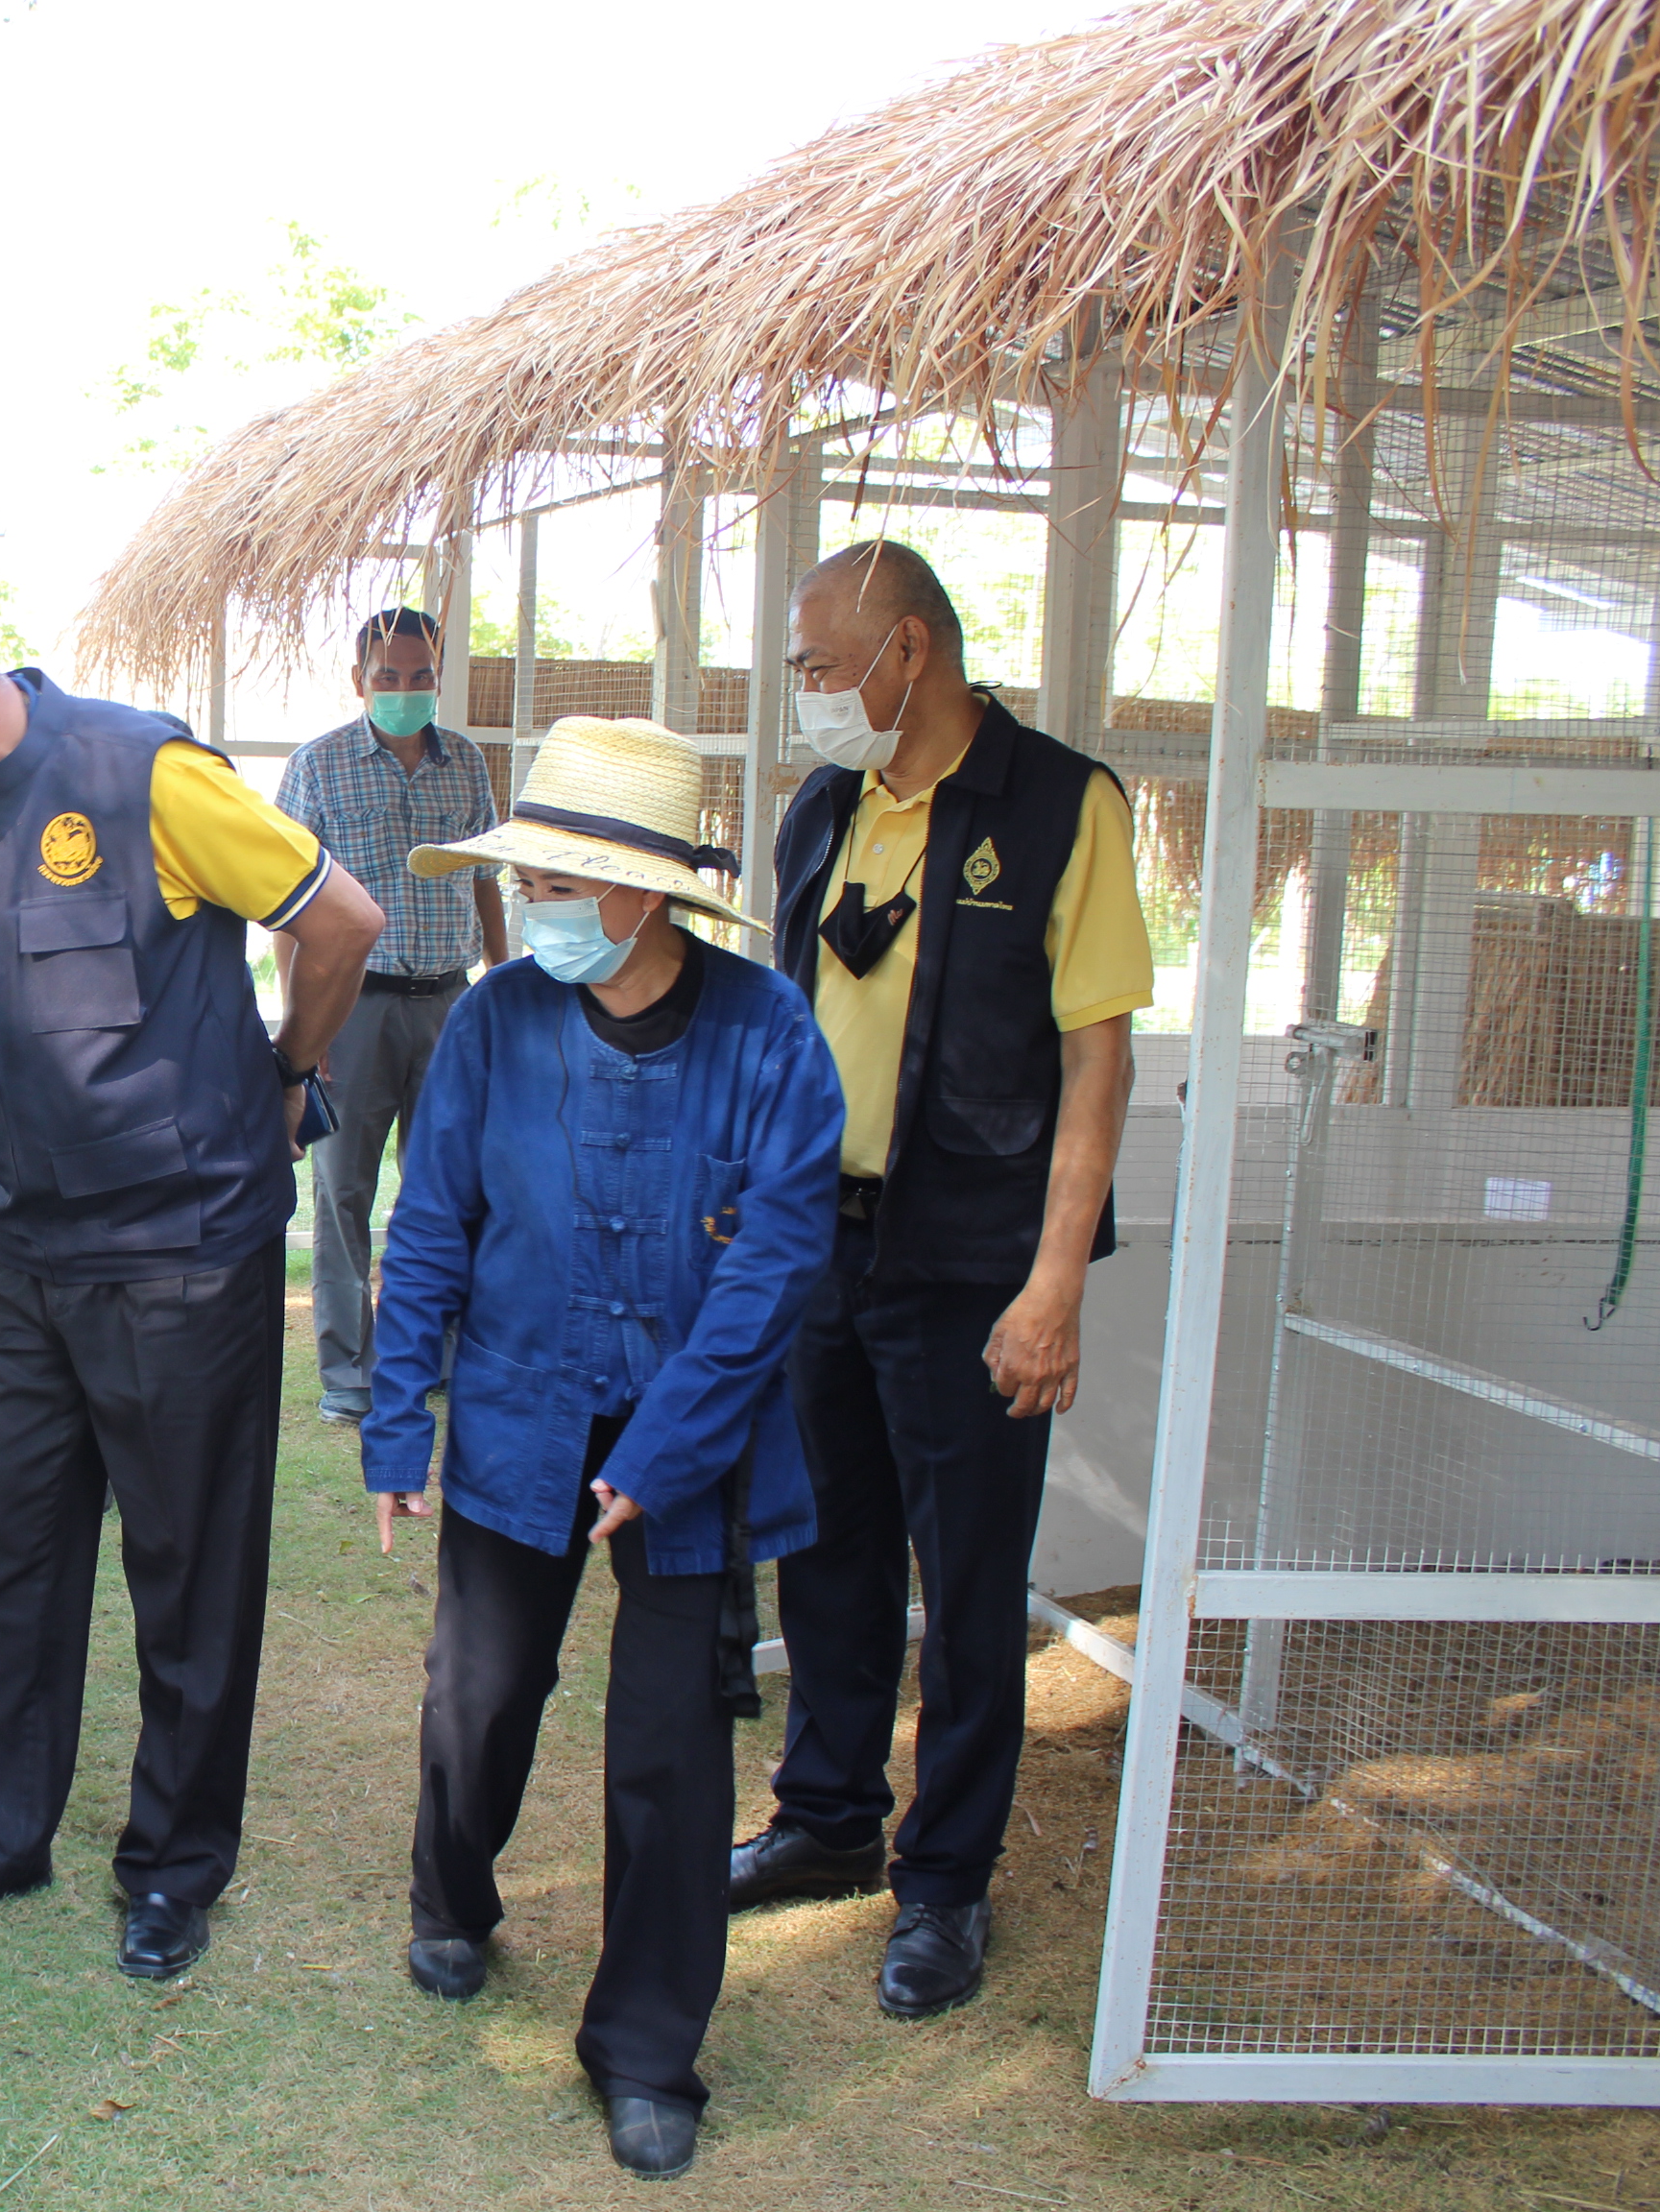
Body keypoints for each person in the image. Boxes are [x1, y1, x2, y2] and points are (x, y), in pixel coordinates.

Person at [0, 563, 385, 1982]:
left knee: (187, 1566)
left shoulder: (145, 777)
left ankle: (173, 1870)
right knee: (3, 1550)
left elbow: (344, 921)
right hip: (26, 1237)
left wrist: (288, 1076)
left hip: (185, 1244)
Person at [365, 716, 840, 2182]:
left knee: (672, 1749)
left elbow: (772, 1269)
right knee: (482, 1690)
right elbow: (431, 1221)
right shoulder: (496, 1020)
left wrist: (672, 1448)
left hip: (693, 1447)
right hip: (519, 1405)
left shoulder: (771, 1038)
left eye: (571, 884)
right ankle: (454, 1900)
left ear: (646, 894)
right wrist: (397, 1418)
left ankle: (647, 2046)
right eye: (542, 882)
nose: (546, 908)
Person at [733, 540, 1148, 2023]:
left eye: (822, 661)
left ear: (910, 650)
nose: (809, 691)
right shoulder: (826, 809)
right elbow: (791, 1022)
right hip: (823, 1246)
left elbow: (1098, 1056)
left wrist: (1054, 1286)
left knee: (965, 1583)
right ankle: (830, 1817)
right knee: (826, 1544)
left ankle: (946, 1883)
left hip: (974, 1260)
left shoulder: (1060, 807)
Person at [274, 608, 507, 1427]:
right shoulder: (318, 767)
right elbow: (284, 910)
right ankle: (348, 1374)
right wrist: (310, 1027)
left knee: (444, 1186)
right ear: (358, 680)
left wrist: (500, 985)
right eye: (388, 678)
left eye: (420, 677)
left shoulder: (467, 764)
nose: (405, 691)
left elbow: (485, 880)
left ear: (437, 675)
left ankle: (435, 1353)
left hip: (447, 1001)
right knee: (341, 1192)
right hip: (352, 1009)